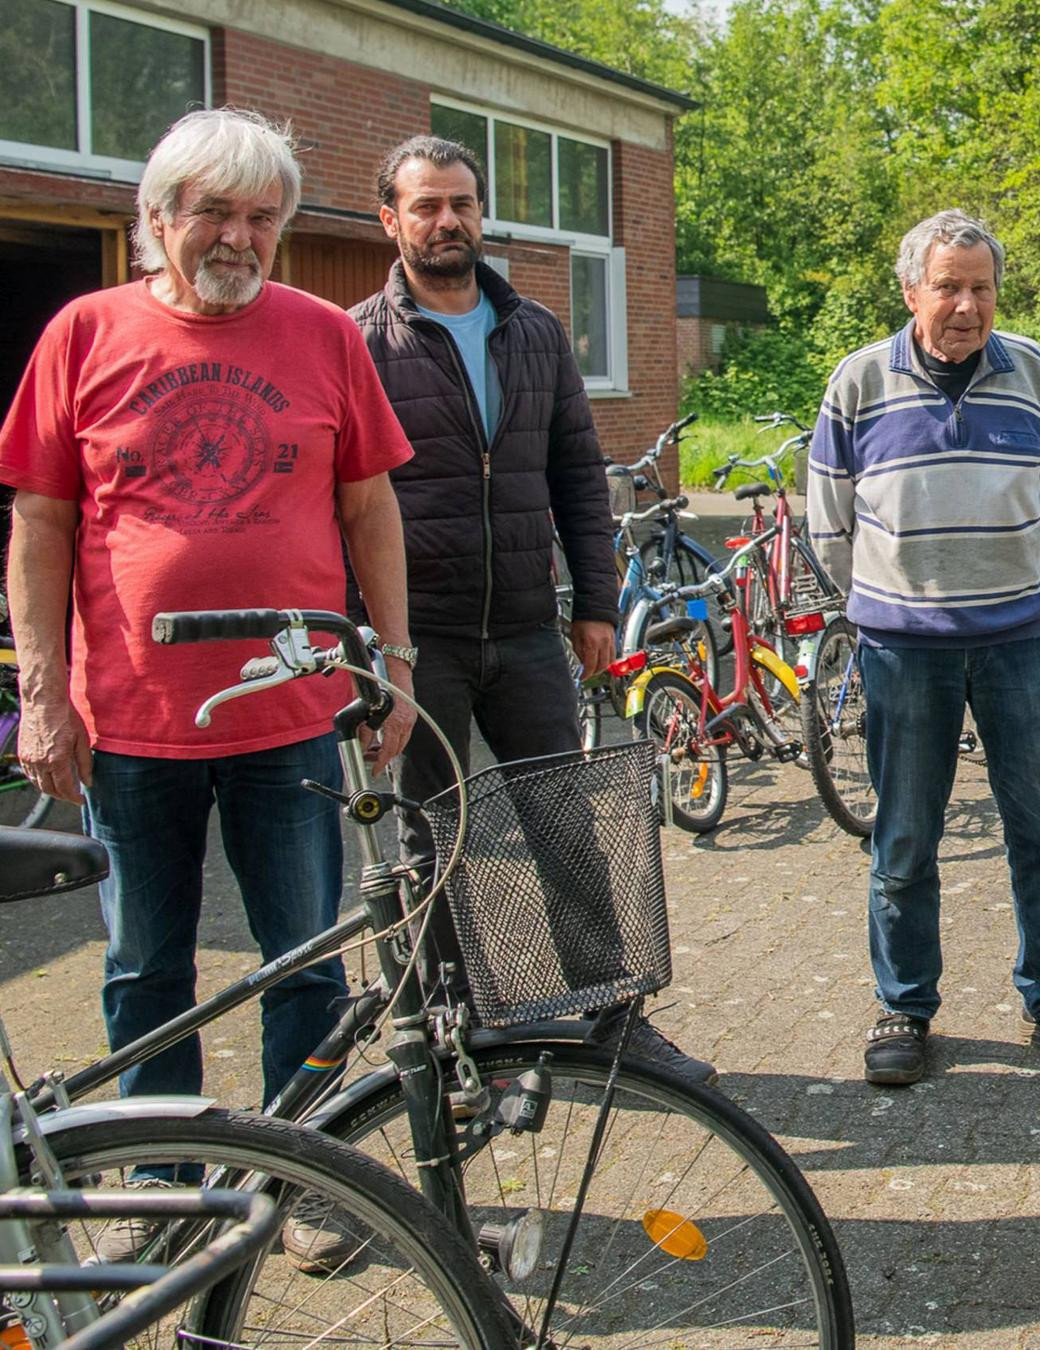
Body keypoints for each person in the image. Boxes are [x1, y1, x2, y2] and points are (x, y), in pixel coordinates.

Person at [0, 108, 418, 1257]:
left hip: (289, 708)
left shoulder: (325, 335)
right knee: (142, 970)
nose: (239, 238)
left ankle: (306, 1179)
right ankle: (166, 1188)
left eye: (261, 218)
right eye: (215, 214)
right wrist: (41, 692)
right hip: (130, 717)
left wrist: (397, 662)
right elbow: (40, 524)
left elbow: (370, 507)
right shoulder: (84, 333)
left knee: (304, 956)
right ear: (159, 217)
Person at [350, 135, 713, 1085]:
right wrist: (366, 643)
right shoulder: (356, 340)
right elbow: (340, 500)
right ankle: (456, 1032)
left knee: (568, 823)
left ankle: (613, 1017)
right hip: (414, 640)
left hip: (524, 626)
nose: (447, 222)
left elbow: (578, 483)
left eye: (462, 204)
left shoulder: (535, 331)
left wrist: (596, 603)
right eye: (426, 206)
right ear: (390, 220)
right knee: (433, 835)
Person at [808, 209, 1040, 1087]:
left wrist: (1008, 576)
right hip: (905, 650)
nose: (966, 304)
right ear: (911, 290)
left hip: (1020, 639)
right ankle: (905, 1008)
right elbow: (830, 522)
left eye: (981, 287)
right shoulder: (860, 382)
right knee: (905, 836)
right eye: (947, 286)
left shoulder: (1033, 372)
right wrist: (888, 605)